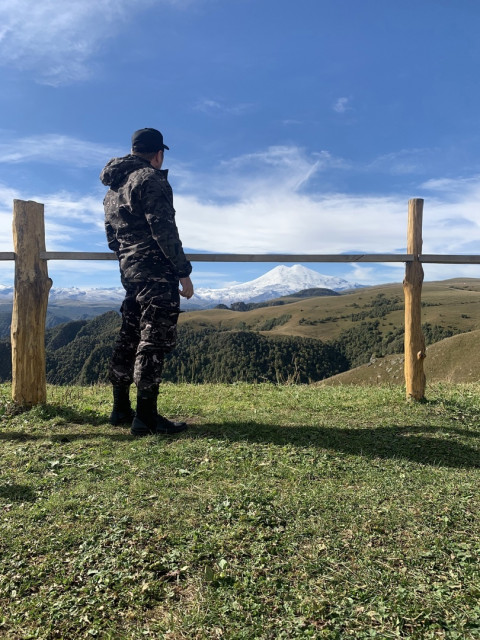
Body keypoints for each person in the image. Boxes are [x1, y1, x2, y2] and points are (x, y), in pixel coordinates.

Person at [100, 128, 194, 436]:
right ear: (158, 154)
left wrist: (130, 259)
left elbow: (113, 240)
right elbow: (164, 231)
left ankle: (120, 409)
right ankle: (146, 417)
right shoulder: (151, 180)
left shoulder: (112, 191)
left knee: (129, 334)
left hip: (129, 271)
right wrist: (183, 272)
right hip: (156, 272)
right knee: (153, 340)